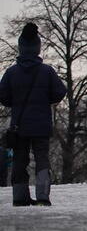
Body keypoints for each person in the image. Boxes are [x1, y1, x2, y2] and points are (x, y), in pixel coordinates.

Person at [0, 23, 67, 206]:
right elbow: (60, 92)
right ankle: (43, 196)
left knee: (20, 160)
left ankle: (20, 197)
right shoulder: (47, 71)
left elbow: (3, 96)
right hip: (41, 125)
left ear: (20, 48)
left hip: (19, 126)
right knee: (42, 158)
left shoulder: (11, 72)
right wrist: (46, 100)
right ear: (38, 48)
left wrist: (16, 102)